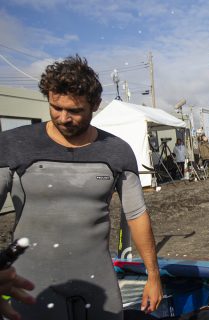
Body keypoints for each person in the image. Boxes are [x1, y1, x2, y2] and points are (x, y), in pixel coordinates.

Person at [0, 55, 162, 319]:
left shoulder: (116, 151)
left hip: (98, 281)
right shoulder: (12, 145)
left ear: (95, 105)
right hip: (32, 284)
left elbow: (136, 215)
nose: (63, 118)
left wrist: (153, 276)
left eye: (75, 111)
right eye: (55, 107)